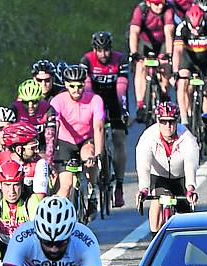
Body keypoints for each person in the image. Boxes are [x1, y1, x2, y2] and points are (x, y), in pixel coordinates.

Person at [135, 101, 200, 234]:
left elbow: (190, 165)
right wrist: (144, 189)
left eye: (172, 122)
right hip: (159, 176)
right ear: (158, 121)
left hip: (181, 177)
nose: (168, 126)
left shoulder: (187, 138)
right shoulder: (148, 137)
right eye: (164, 122)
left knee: (186, 220)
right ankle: (154, 237)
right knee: (158, 200)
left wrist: (190, 188)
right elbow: (144, 165)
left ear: (177, 121)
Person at [81, 31, 130, 208]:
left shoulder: (119, 59)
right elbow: (86, 88)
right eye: (100, 51)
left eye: (106, 50)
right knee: (93, 136)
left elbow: (122, 87)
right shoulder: (86, 60)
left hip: (115, 100)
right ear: (94, 50)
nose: (103, 54)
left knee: (118, 139)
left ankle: (119, 185)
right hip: (93, 99)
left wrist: (122, 110)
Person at [50, 64, 105, 203]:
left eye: (79, 86)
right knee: (66, 186)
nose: (76, 90)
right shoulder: (57, 100)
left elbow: (98, 127)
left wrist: (98, 154)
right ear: (66, 85)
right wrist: (51, 154)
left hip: (86, 140)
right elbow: (54, 127)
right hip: (65, 142)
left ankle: (92, 191)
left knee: (89, 157)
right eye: (72, 86)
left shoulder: (95, 99)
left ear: (84, 84)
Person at [173, 4, 207, 124]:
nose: (196, 31)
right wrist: (175, 71)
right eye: (193, 29)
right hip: (189, 60)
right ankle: (184, 117)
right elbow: (177, 51)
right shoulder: (181, 28)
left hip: (205, 61)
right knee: (182, 82)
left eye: (199, 28)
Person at [128, 0, 175, 122]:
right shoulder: (141, 10)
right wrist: (134, 53)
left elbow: (169, 32)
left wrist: (168, 55)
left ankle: (164, 93)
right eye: (156, 4)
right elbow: (134, 32)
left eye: (161, 3)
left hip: (162, 42)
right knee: (140, 66)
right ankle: (140, 104)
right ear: (149, 3)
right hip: (145, 43)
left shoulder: (168, 9)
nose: (159, 6)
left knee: (165, 65)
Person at [0, 160, 42, 257]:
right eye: (7, 185)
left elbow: (39, 231)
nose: (11, 191)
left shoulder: (31, 199)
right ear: (0, 185)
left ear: (22, 185)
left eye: (16, 185)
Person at [0, 122, 50, 199]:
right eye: (32, 148)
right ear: (19, 149)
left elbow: (39, 199)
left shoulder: (40, 163)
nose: (37, 151)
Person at [11, 79, 57, 164]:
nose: (30, 106)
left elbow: (50, 139)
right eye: (26, 102)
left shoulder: (47, 109)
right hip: (20, 147)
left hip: (41, 147)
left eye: (34, 102)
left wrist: (49, 162)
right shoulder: (15, 108)